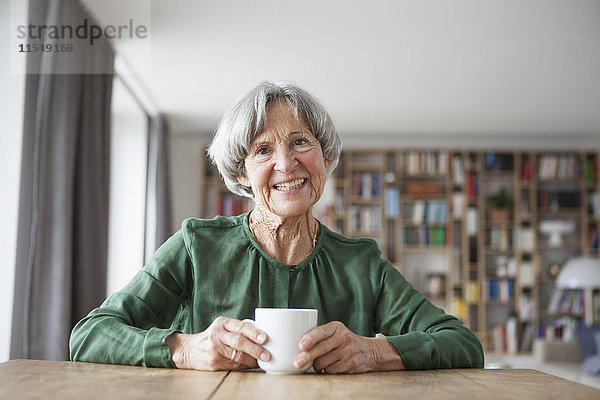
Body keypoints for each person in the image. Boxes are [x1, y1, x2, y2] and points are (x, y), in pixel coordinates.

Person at [70, 81, 484, 373]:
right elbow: (89, 335)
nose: (287, 164)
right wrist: (185, 348)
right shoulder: (198, 246)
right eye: (263, 149)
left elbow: (462, 344)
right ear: (243, 172)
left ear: (324, 157)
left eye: (301, 142)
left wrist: (374, 352)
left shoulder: (360, 263)